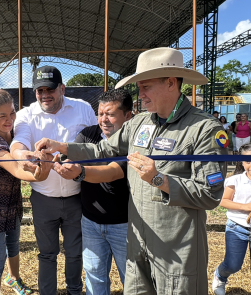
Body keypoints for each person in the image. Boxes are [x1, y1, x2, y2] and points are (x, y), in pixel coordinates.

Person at [35, 47, 228, 294]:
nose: (141, 94)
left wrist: (160, 179)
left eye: (146, 86)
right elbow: (102, 151)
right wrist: (60, 146)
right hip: (138, 243)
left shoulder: (204, 129)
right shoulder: (139, 122)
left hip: (176, 249)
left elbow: (210, 194)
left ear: (170, 82)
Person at [10, 66, 97, 295]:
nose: (44, 95)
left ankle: (75, 290)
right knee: (47, 253)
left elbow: (97, 144)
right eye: (39, 90)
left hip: (78, 196)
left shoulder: (83, 109)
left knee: (75, 251)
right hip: (43, 198)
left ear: (62, 88)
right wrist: (23, 156)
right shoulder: (25, 115)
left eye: (50, 89)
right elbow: (18, 143)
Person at [51, 89, 132, 295]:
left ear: (128, 116)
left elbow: (112, 172)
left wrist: (79, 173)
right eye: (100, 113)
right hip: (91, 222)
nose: (104, 120)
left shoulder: (134, 142)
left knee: (132, 281)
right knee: (94, 278)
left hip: (125, 225)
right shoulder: (89, 134)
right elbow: (71, 155)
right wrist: (55, 160)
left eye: (111, 114)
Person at [0, 89, 52, 295]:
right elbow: (16, 168)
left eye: (12, 113)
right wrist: (40, 174)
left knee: (13, 243)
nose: (10, 120)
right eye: (3, 116)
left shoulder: (12, 133)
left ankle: (14, 279)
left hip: (11, 203)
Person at [212, 143, 251, 295]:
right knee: (233, 265)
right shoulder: (235, 180)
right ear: (241, 162)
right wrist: (245, 207)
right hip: (236, 228)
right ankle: (220, 275)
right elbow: (223, 201)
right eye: (247, 161)